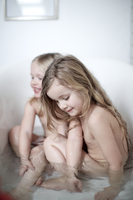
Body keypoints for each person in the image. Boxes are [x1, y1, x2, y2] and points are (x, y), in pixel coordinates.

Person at [40, 55, 132, 200]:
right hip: (102, 166)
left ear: (84, 87)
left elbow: (117, 162)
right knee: (55, 140)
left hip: (107, 170)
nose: (62, 106)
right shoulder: (81, 112)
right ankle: (69, 178)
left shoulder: (96, 117)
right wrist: (72, 175)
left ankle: (65, 179)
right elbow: (73, 143)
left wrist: (114, 187)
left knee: (50, 142)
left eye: (65, 98)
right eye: (56, 101)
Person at [8, 53, 68, 199]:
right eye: (32, 77)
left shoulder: (61, 104)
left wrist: (44, 149)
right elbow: (26, 132)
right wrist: (24, 159)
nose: (34, 82)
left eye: (39, 78)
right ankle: (31, 167)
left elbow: (62, 137)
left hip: (60, 149)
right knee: (15, 132)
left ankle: (22, 190)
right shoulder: (33, 104)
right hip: (45, 141)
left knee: (39, 151)